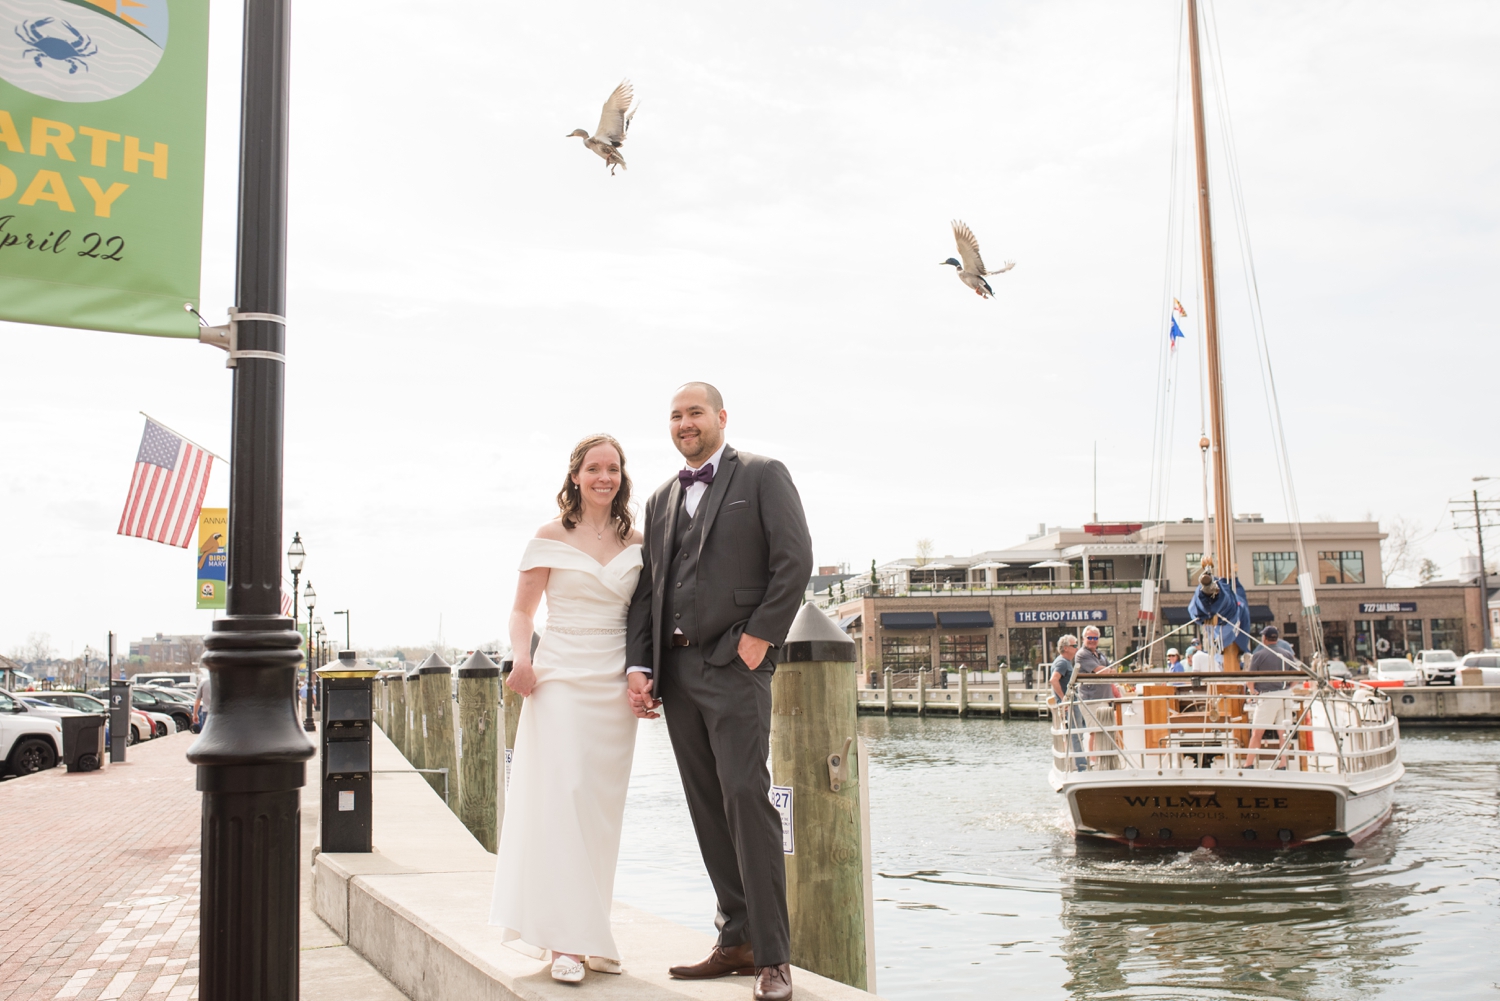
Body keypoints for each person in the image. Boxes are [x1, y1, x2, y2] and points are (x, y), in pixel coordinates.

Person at [626, 382, 813, 1001]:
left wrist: (759, 640)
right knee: (707, 806)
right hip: (676, 674)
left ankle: (774, 956)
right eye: (675, 416)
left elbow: (795, 560)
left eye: (695, 413)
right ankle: (735, 938)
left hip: (735, 665)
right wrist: (642, 667)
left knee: (744, 796)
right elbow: (649, 591)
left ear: (721, 418)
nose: (685, 423)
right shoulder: (658, 499)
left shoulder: (762, 474)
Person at [489, 434, 645, 983]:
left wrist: (644, 678)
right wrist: (521, 658)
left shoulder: (638, 541)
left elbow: (643, 623)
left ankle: (588, 929)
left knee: (599, 812)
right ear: (575, 475)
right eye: (594, 468)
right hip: (557, 678)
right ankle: (564, 944)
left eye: (614, 469)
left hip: (613, 687)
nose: (604, 477)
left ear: (622, 477)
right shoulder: (549, 536)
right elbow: (521, 612)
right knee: (560, 801)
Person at [1244, 625, 1295, 766]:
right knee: (1283, 733)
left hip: (1268, 697)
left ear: (1264, 638)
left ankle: (1248, 764)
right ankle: (1283, 764)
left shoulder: (1258, 655)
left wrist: (1253, 692)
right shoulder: (1287, 654)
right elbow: (1297, 677)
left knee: (1257, 733)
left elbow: (1250, 680)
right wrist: (1289, 687)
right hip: (1285, 696)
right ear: (1276, 639)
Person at [1049, 635, 1084, 770]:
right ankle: (1081, 765)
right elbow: (1054, 680)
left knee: (1078, 732)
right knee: (1076, 733)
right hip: (1070, 705)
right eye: (1075, 646)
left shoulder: (1065, 662)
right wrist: (1064, 698)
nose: (1077, 648)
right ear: (1066, 648)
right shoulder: (1062, 662)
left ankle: (1078, 762)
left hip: (1072, 703)